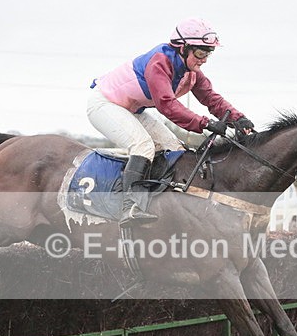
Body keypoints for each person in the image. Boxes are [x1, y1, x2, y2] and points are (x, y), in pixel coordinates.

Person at [87, 17, 254, 226]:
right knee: (143, 145)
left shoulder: (192, 72)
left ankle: (158, 202)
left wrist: (238, 118)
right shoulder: (160, 62)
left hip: (133, 109)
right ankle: (129, 206)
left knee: (173, 148)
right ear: (183, 48)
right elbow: (167, 105)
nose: (204, 59)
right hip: (104, 104)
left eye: (208, 53)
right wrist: (206, 123)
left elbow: (211, 98)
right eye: (201, 52)